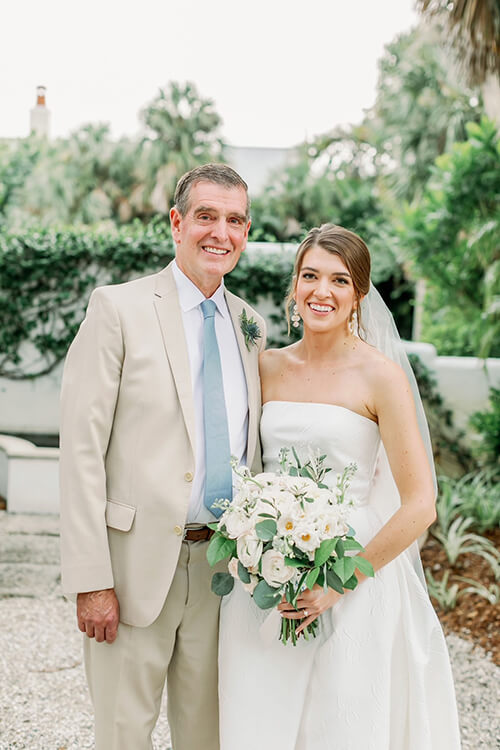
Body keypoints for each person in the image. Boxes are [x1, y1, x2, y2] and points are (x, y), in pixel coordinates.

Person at [218, 224, 461, 749]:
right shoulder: (266, 367)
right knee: (260, 714)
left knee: (341, 722)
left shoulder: (380, 378)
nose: (320, 292)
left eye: (339, 280)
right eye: (309, 276)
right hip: (267, 567)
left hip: (352, 572)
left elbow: (421, 504)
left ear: (359, 296)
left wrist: (339, 584)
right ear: (294, 286)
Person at [59, 163, 266, 750]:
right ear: (177, 223)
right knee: (123, 736)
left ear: (246, 233)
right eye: (206, 216)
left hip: (222, 574)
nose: (219, 233)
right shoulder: (117, 309)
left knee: (208, 738)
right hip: (131, 571)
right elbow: (80, 450)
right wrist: (91, 579)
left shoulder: (251, 325)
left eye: (233, 220)